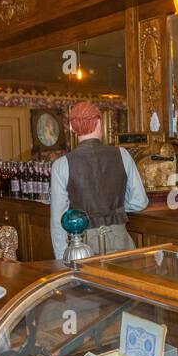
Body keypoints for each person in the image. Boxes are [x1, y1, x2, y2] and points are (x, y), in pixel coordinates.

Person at [49, 101, 147, 258]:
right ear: (99, 122)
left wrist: (61, 258)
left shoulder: (61, 165)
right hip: (120, 240)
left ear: (73, 128)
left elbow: (58, 221)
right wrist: (114, 210)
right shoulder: (123, 155)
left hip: (82, 246)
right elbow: (139, 202)